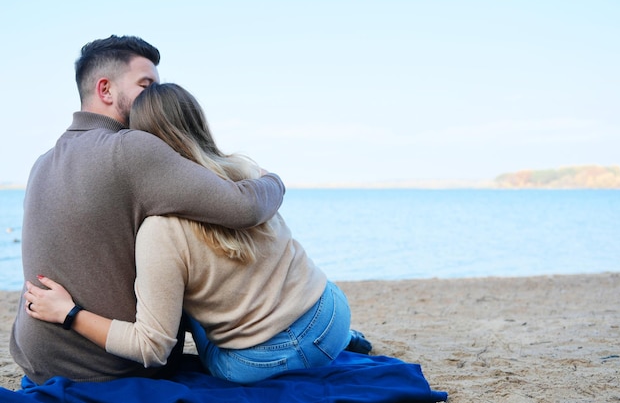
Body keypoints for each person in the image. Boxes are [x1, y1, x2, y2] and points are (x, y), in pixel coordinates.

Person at [24, 83, 370, 385]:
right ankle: (340, 343)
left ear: (141, 143)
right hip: (332, 316)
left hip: (266, 359)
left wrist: (69, 313)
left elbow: (152, 348)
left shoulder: (159, 232)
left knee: (198, 333)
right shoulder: (246, 172)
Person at [10, 36, 286, 385]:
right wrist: (273, 180)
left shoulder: (42, 162)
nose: (157, 95)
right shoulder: (130, 149)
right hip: (109, 366)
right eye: (147, 85)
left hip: (37, 361)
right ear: (106, 90)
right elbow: (244, 208)